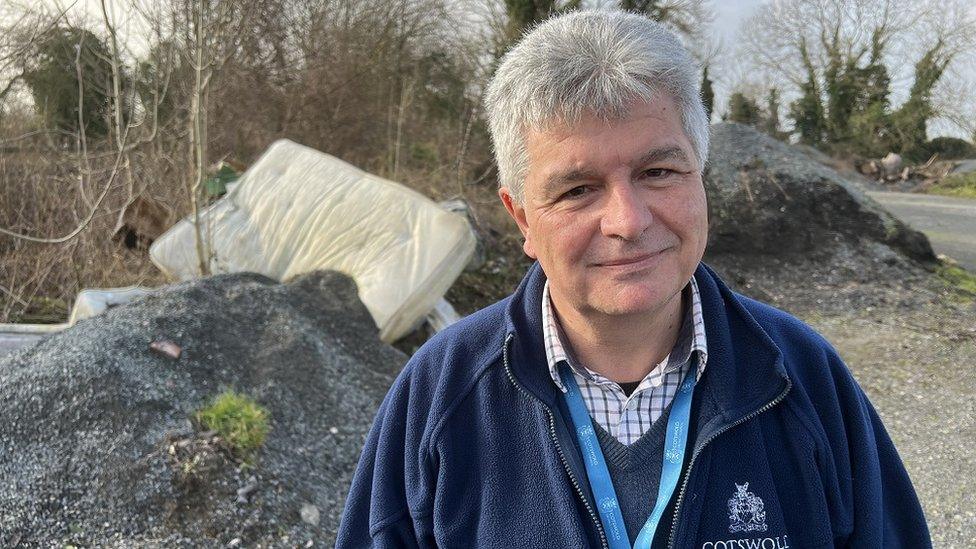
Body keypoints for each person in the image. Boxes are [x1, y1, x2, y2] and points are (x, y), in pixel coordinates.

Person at [336, 10, 930, 548]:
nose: (628, 221)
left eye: (658, 171)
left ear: (701, 177)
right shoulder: (438, 401)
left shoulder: (803, 379)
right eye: (577, 190)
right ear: (521, 217)